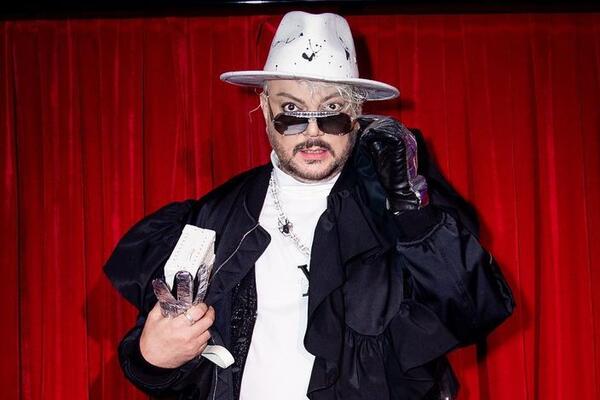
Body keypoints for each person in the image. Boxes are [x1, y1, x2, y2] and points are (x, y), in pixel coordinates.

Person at [104, 11, 514, 400]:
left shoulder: (400, 207)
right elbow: (161, 357)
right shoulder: (217, 216)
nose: (313, 132)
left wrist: (413, 214)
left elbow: (473, 311)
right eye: (292, 112)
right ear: (265, 108)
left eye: (332, 111)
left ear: (357, 112)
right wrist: (152, 357)